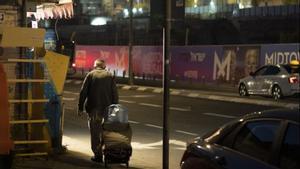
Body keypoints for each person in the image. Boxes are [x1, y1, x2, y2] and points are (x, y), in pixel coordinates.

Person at [77, 59, 119, 163]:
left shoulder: (90, 75)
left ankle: (98, 155)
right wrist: (115, 108)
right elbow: (115, 94)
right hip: (108, 110)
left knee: (95, 133)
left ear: (95, 66)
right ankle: (108, 155)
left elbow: (83, 92)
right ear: (104, 67)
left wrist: (80, 107)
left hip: (94, 109)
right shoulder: (110, 75)